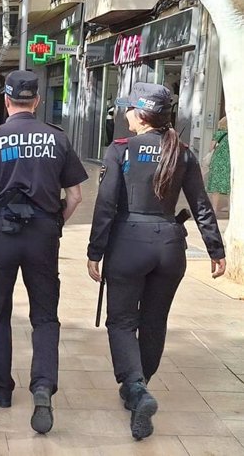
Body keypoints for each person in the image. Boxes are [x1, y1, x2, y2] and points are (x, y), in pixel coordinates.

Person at [87, 83, 226, 441]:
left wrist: (94, 251)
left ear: (141, 114)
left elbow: (105, 206)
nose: (124, 114)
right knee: (153, 322)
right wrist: (216, 250)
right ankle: (140, 388)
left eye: (129, 109)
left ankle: (136, 388)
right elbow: (200, 205)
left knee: (120, 321)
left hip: (128, 245)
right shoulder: (182, 152)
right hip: (169, 248)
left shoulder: (121, 150)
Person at [0, 71, 87, 435]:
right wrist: (55, 221)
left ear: (6, 100)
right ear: (36, 101)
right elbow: (76, 195)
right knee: (45, 316)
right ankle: (44, 386)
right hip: (43, 237)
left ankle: (1, 388)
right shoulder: (57, 139)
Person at [206, 116, 230, 214]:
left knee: (216, 186)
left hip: (218, 162)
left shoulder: (218, 134)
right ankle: (229, 208)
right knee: (229, 186)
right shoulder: (234, 135)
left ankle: (214, 209)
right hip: (229, 162)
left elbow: (211, 148)